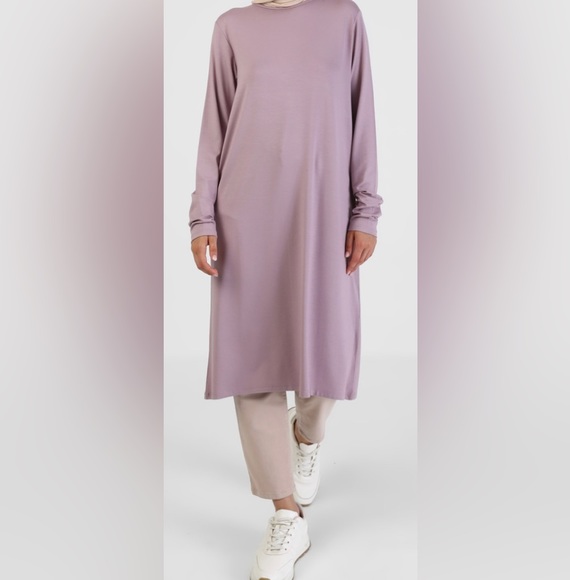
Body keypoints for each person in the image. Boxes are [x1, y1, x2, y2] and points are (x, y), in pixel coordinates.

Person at [188, 0, 383, 578]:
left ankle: (306, 433)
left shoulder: (343, 18)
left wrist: (365, 210)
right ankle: (286, 514)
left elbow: (363, 117)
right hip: (244, 213)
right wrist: (202, 216)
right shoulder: (232, 28)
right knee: (252, 358)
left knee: (325, 347)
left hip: (322, 211)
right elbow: (214, 127)